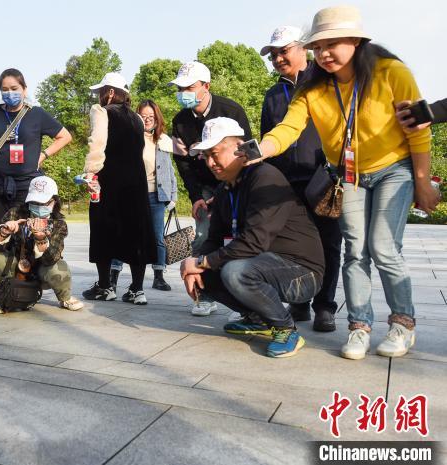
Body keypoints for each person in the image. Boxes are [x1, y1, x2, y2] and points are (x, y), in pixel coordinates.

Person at [256, 6, 440, 360]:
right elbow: (288, 129)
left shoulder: (391, 72)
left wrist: (422, 182)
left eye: (333, 44)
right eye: (318, 46)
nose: (324, 53)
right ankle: (359, 327)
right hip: (349, 173)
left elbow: (418, 130)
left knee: (383, 247)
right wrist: (256, 150)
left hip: (394, 168)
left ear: (356, 40)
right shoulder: (312, 87)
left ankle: (403, 325)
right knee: (355, 250)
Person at [180, 118, 324, 358]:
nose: (211, 163)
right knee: (204, 271)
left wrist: (202, 262)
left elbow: (254, 241)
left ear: (240, 147)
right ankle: (258, 318)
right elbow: (213, 239)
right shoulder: (226, 188)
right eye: (206, 157)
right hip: (261, 264)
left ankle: (286, 329)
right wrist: (194, 264)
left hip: (301, 272)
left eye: (215, 153)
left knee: (233, 271)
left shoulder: (265, 177)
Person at [260, 26, 342, 332]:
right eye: (273, 54)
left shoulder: (327, 83)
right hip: (286, 184)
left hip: (323, 178)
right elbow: (267, 138)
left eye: (283, 51)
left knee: (329, 242)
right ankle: (300, 302)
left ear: (303, 49)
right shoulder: (272, 95)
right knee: (294, 246)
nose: (278, 59)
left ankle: (325, 307)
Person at [169, 61, 253, 316]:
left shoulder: (231, 110)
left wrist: (231, 188)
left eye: (190, 86)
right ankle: (204, 295)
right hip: (204, 188)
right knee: (204, 236)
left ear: (206, 86)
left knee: (239, 237)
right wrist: (196, 197)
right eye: (180, 87)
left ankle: (245, 296)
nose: (184, 91)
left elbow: (248, 152)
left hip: (235, 183)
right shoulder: (180, 121)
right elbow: (182, 163)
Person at [81, 73, 157, 305]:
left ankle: (105, 286)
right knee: (136, 232)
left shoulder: (101, 111)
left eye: (101, 91)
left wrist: (90, 172)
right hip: (136, 182)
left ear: (111, 92)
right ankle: (136, 289)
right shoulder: (136, 118)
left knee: (103, 229)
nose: (99, 96)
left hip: (110, 179)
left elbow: (98, 142)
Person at [0, 68, 72, 232]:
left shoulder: (37, 114)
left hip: (28, 187)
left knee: (25, 234)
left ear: (24, 89)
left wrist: (43, 155)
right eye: (5, 89)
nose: (9, 93)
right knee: (0, 232)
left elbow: (65, 136)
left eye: (14, 88)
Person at [0, 175, 83, 313]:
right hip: (15, 267)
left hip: (41, 270)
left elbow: (51, 258)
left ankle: (65, 298)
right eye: (34, 202)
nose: (38, 207)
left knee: (60, 267)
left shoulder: (59, 224)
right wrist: (3, 232)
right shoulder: (15, 213)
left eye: (43, 203)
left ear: (54, 201)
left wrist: (41, 240)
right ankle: (4, 297)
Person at [110, 100, 178, 292]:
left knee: (157, 237)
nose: (147, 120)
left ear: (157, 119)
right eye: (143, 116)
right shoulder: (129, 137)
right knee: (123, 235)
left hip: (157, 196)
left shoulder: (163, 140)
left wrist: (173, 195)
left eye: (151, 117)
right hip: (131, 195)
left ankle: (159, 276)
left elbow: (169, 170)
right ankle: (113, 277)